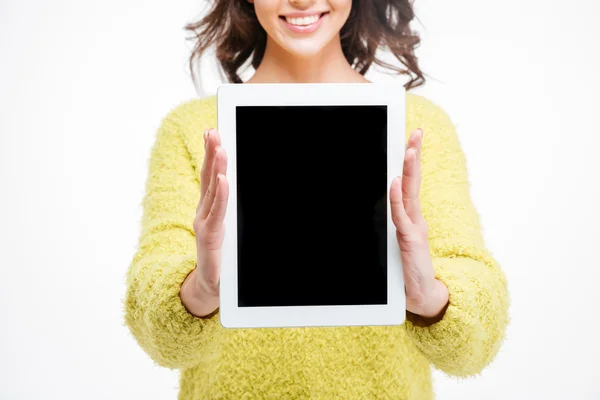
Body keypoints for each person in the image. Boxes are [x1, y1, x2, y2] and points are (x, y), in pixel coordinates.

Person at [123, 0, 510, 398]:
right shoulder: (192, 130)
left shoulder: (419, 126)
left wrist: (431, 296)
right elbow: (156, 325)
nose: (302, 0)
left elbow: (478, 336)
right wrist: (199, 291)